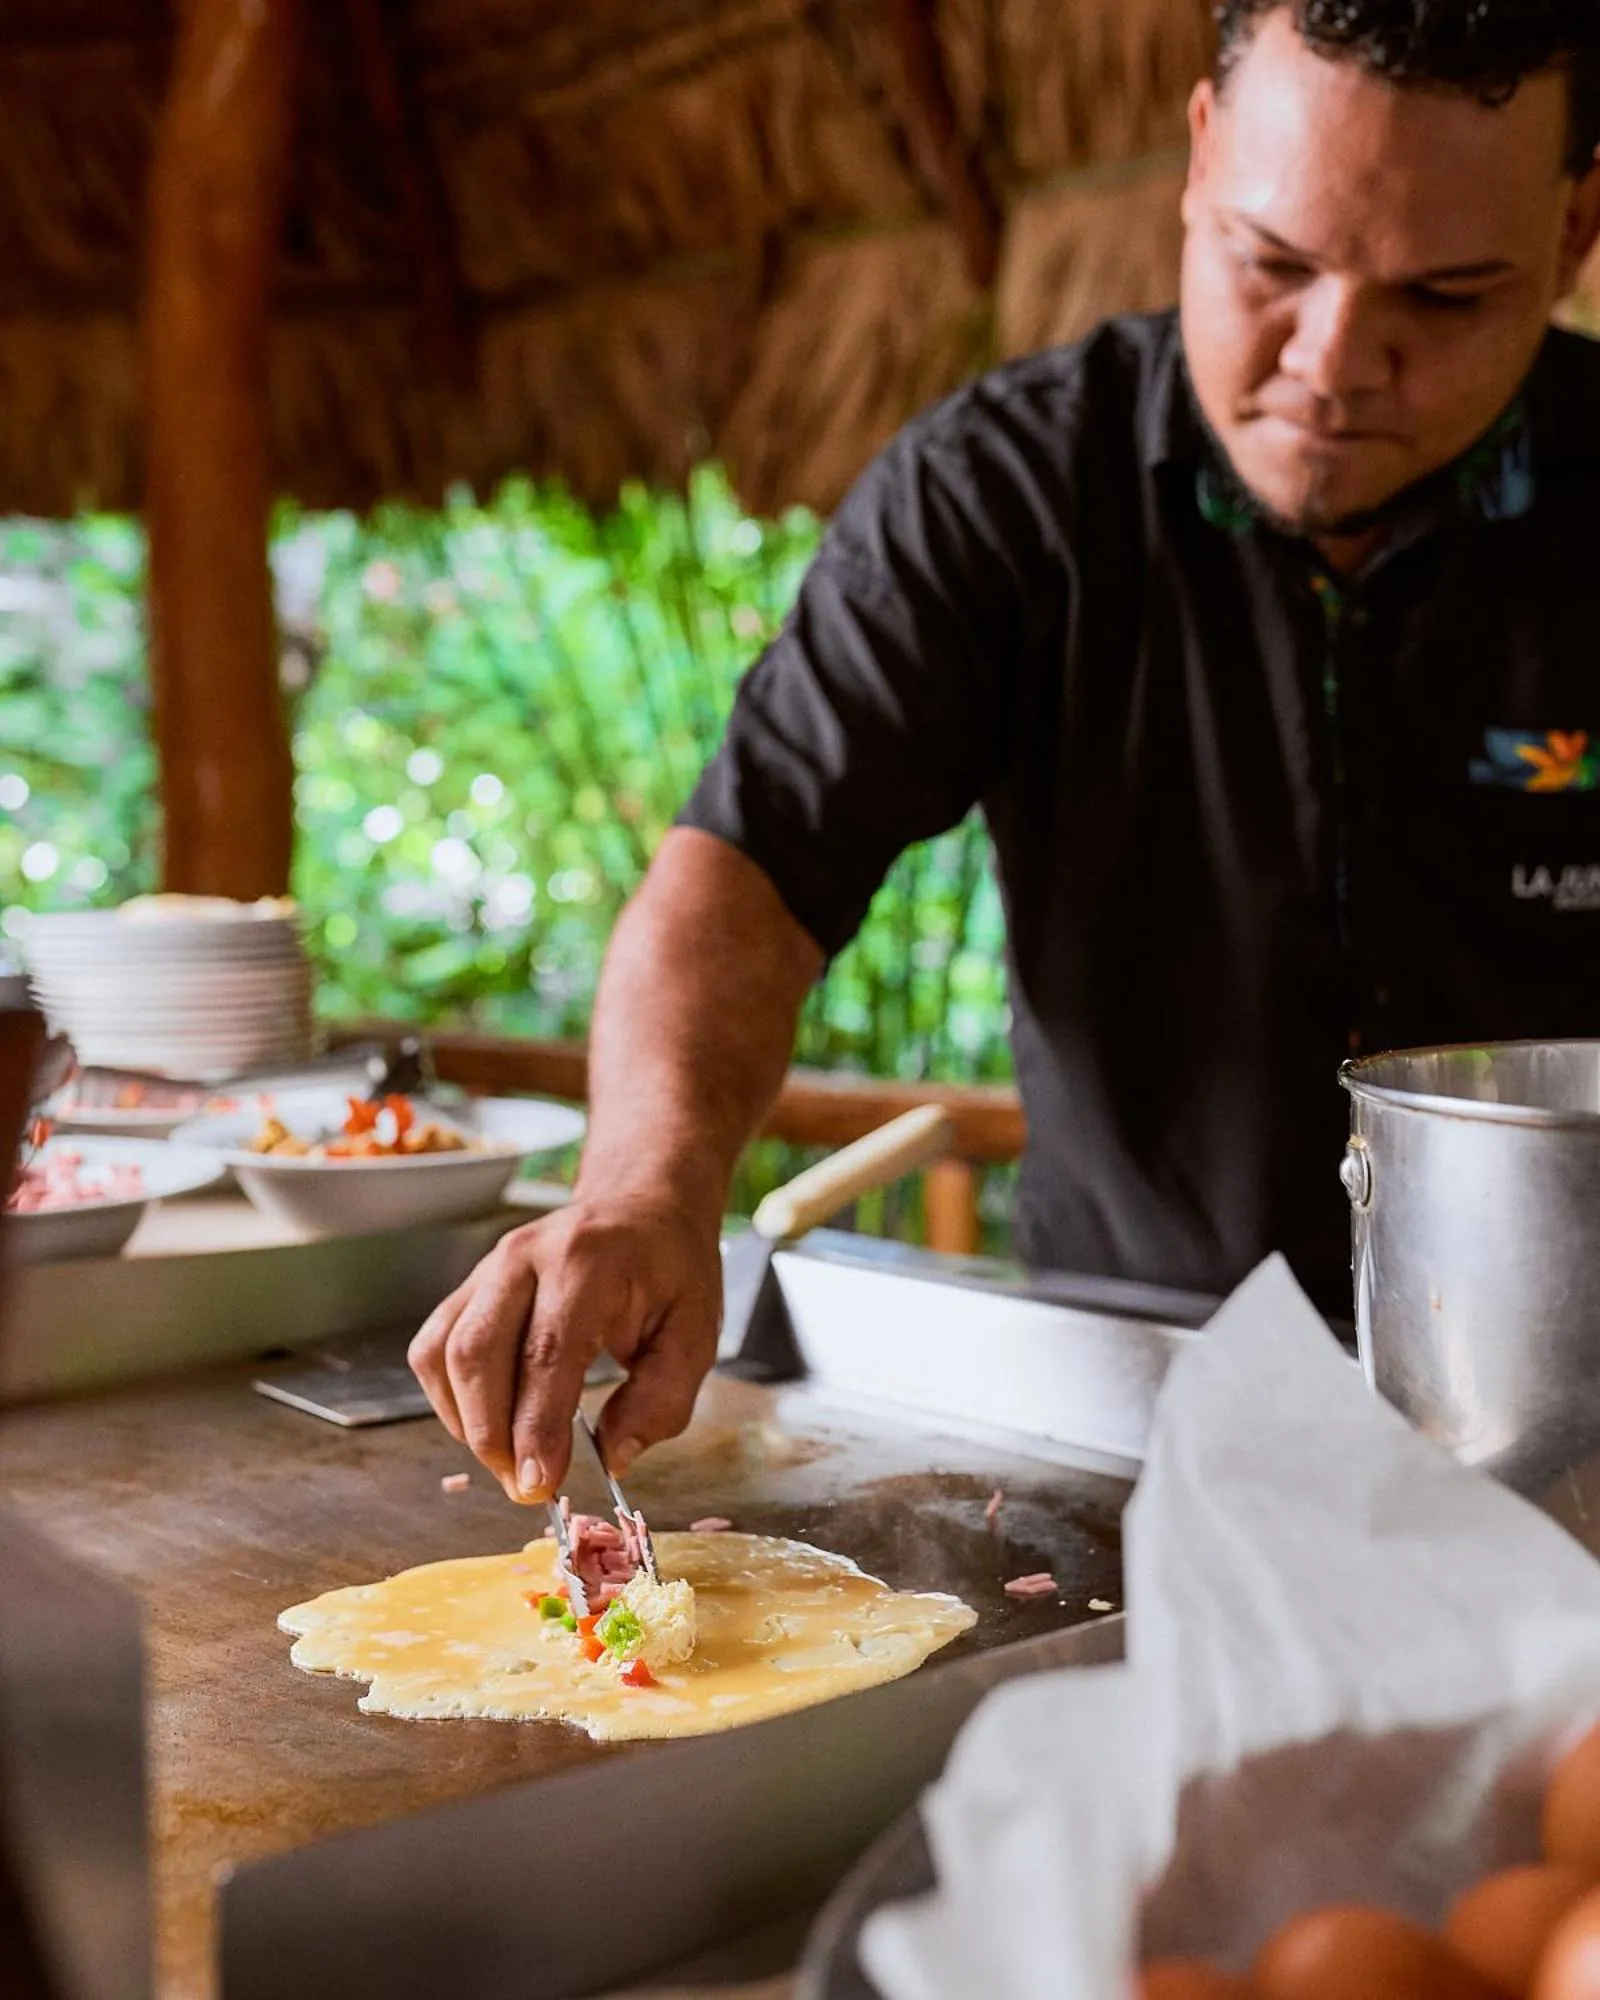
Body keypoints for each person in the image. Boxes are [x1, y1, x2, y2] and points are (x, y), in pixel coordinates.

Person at [411, 0, 1600, 1503]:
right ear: (1196, 156)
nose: (1336, 361)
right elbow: (754, 865)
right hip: (1135, 1422)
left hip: (1583, 1423)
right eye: (1272, 263)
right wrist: (648, 1185)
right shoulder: (1007, 495)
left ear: (1573, 236)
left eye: (1444, 295)